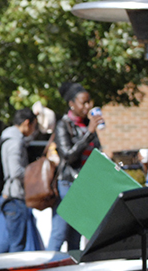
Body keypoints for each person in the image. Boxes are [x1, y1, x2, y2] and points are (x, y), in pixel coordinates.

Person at [48, 82, 104, 251]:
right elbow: (68, 155)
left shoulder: (87, 125)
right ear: (72, 104)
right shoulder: (63, 125)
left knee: (76, 237)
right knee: (60, 232)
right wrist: (89, 133)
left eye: (89, 102)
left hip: (84, 185)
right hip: (68, 184)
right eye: (84, 102)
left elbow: (94, 154)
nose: (88, 106)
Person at [0, 108, 38, 254]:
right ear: (26, 123)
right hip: (15, 198)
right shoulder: (15, 142)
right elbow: (15, 171)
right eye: (34, 126)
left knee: (8, 241)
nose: (34, 130)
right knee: (17, 245)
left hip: (9, 196)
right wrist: (34, 174)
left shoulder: (8, 137)